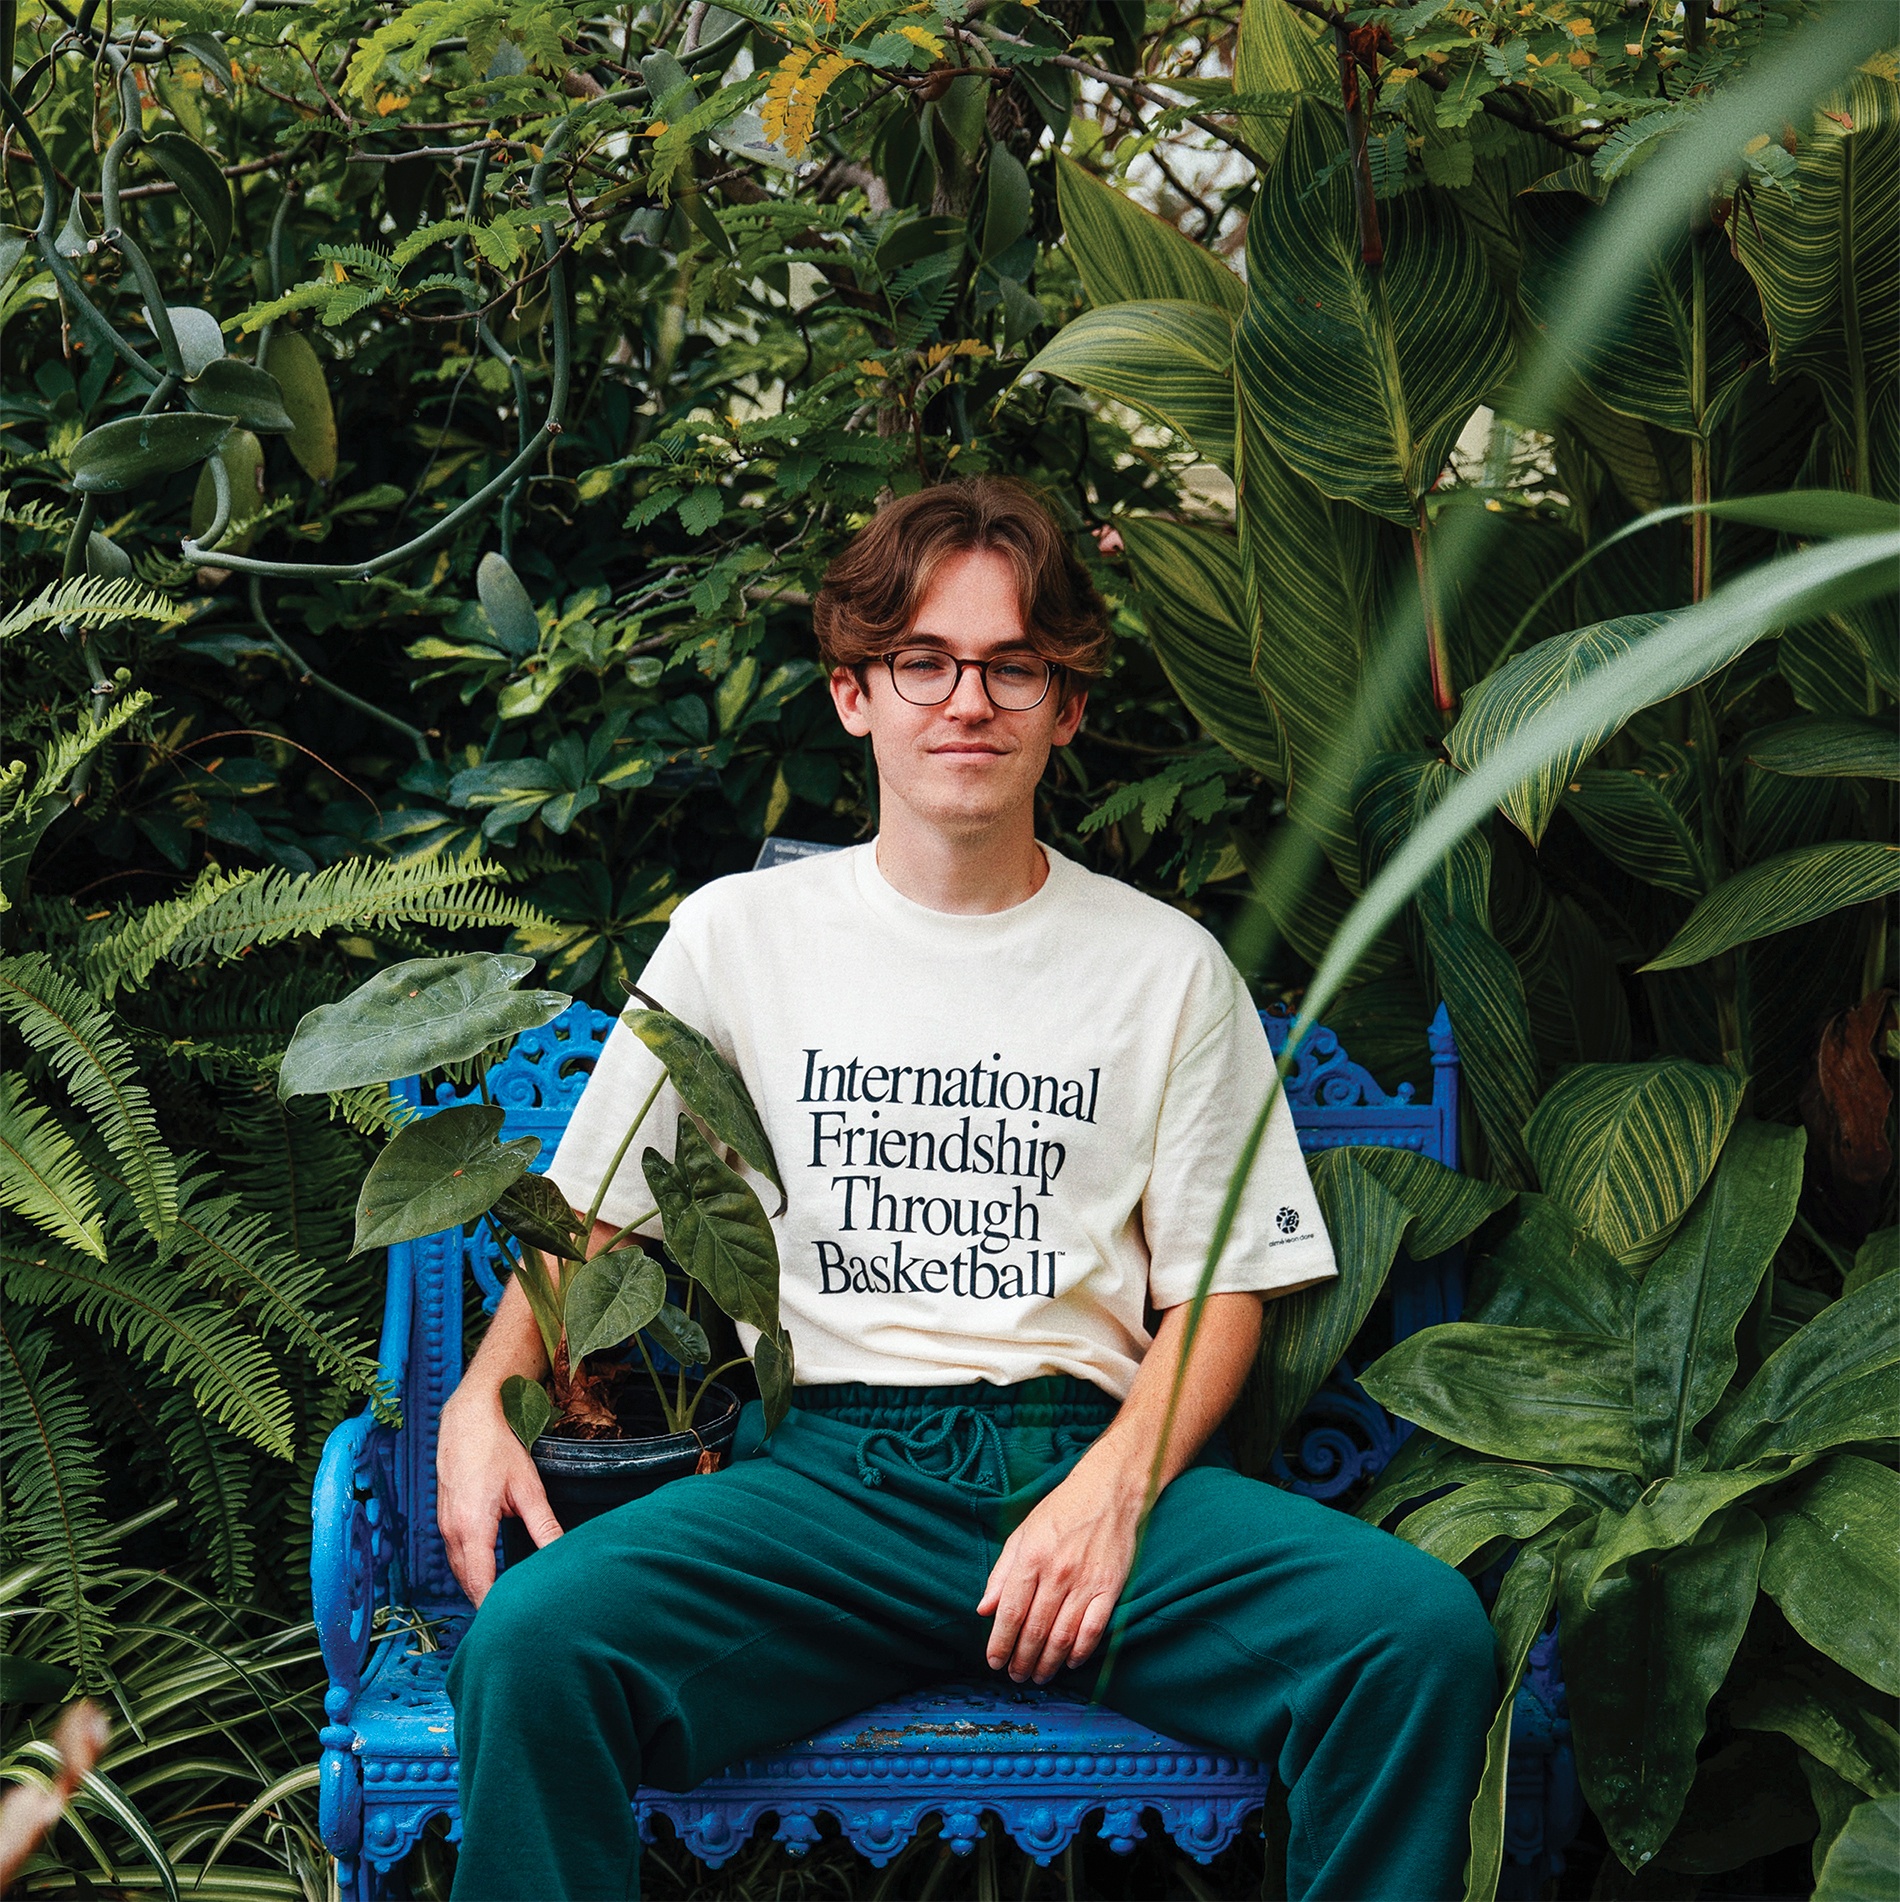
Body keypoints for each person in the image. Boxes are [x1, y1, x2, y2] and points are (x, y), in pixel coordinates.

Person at [440, 477, 1495, 1901]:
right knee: (535, 1647)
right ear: (852, 693)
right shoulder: (736, 937)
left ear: (1065, 704)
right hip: (823, 1483)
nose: (967, 699)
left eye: (1014, 666)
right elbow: (596, 1213)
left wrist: (1113, 1493)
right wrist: (482, 1391)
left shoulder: (1164, 963)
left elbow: (1217, 1294)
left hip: (1083, 1471)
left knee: (1414, 1632)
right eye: (923, 660)